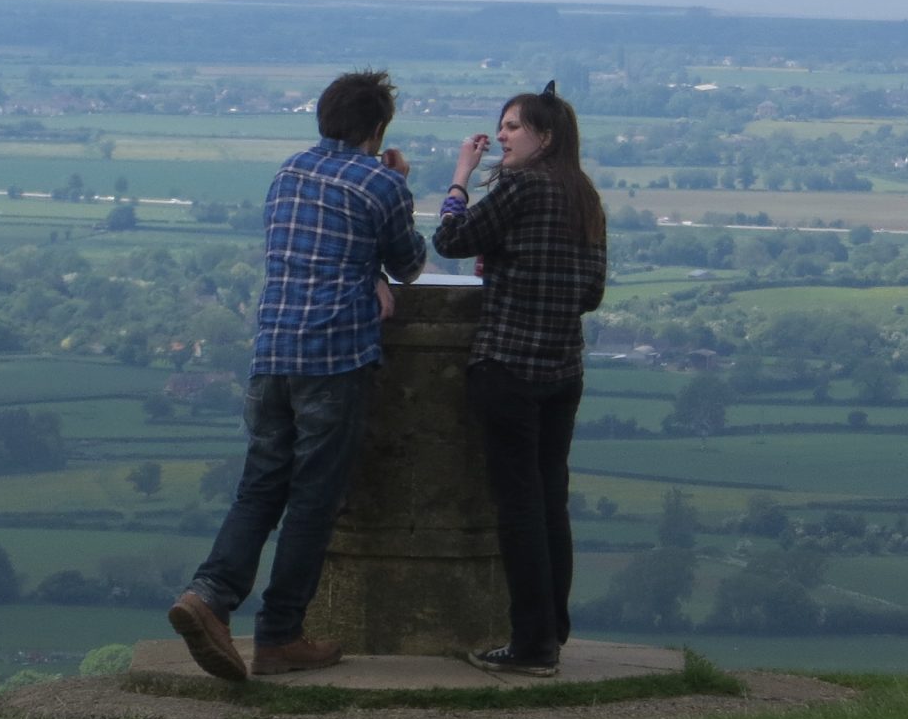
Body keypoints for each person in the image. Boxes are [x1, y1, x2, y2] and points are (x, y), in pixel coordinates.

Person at [166, 69, 426, 680]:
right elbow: (411, 264)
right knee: (312, 501)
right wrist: (397, 188)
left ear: (324, 118)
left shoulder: (287, 174)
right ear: (378, 127)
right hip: (333, 360)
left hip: (272, 354)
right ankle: (280, 636)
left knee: (259, 488)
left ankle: (207, 596)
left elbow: (315, 254)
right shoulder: (378, 183)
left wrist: (368, 271)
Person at [433, 83, 609, 677]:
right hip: (563, 370)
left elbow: (451, 240)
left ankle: (532, 646)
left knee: (518, 509)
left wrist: (460, 176)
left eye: (512, 127)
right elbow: (590, 293)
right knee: (549, 503)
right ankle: (552, 630)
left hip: (507, 365)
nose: (501, 136)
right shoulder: (584, 195)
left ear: (546, 137)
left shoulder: (522, 186)